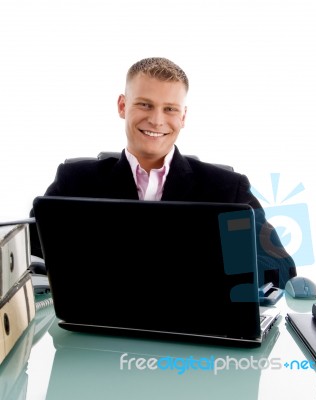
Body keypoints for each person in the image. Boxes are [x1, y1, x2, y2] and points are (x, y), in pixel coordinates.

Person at [29, 57, 296, 289]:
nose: (157, 120)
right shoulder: (74, 181)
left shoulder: (228, 189)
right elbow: (28, 253)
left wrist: (212, 268)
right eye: (145, 105)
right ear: (122, 106)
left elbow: (281, 267)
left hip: (195, 329)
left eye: (170, 109)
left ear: (183, 117)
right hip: (96, 324)